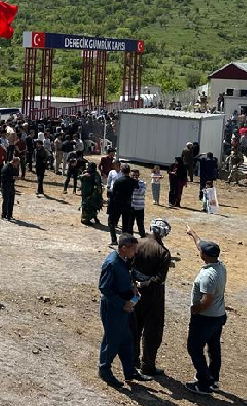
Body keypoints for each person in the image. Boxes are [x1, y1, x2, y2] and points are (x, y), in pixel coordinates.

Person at [98, 234, 152, 388]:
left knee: (126, 340)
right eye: (133, 249)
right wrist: (123, 303)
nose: (135, 252)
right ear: (123, 248)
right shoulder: (112, 263)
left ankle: (130, 371)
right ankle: (104, 370)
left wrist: (132, 287)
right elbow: (104, 288)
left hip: (123, 307)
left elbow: (125, 278)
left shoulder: (124, 260)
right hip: (113, 308)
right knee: (112, 340)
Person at [184, 226, 227, 395]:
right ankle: (214, 378)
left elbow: (206, 301)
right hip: (219, 316)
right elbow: (200, 244)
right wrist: (192, 233)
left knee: (194, 348)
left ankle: (203, 383)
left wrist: (194, 309)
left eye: (201, 251)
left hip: (205, 317)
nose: (199, 251)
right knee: (214, 347)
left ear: (204, 256)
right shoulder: (220, 265)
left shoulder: (207, 276)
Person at [130, 219, 172, 377]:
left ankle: (132, 360)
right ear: (164, 233)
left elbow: (128, 266)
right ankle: (147, 365)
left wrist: (135, 284)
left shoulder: (136, 243)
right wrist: (145, 284)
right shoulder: (163, 252)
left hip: (134, 293)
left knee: (134, 327)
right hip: (153, 297)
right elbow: (159, 279)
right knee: (152, 332)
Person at [108, 164, 137, 245]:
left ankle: (114, 240)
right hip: (127, 204)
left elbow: (113, 193)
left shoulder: (118, 181)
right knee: (125, 225)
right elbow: (137, 186)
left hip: (117, 204)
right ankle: (123, 242)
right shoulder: (133, 181)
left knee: (111, 222)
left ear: (121, 171)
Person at [129, 169, 146, 237]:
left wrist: (137, 186)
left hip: (139, 207)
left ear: (139, 175)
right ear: (130, 175)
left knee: (140, 224)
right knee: (130, 224)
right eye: (133, 175)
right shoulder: (128, 183)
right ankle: (130, 239)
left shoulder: (142, 183)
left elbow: (142, 192)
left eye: (136, 175)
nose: (135, 177)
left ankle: (143, 238)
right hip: (131, 207)